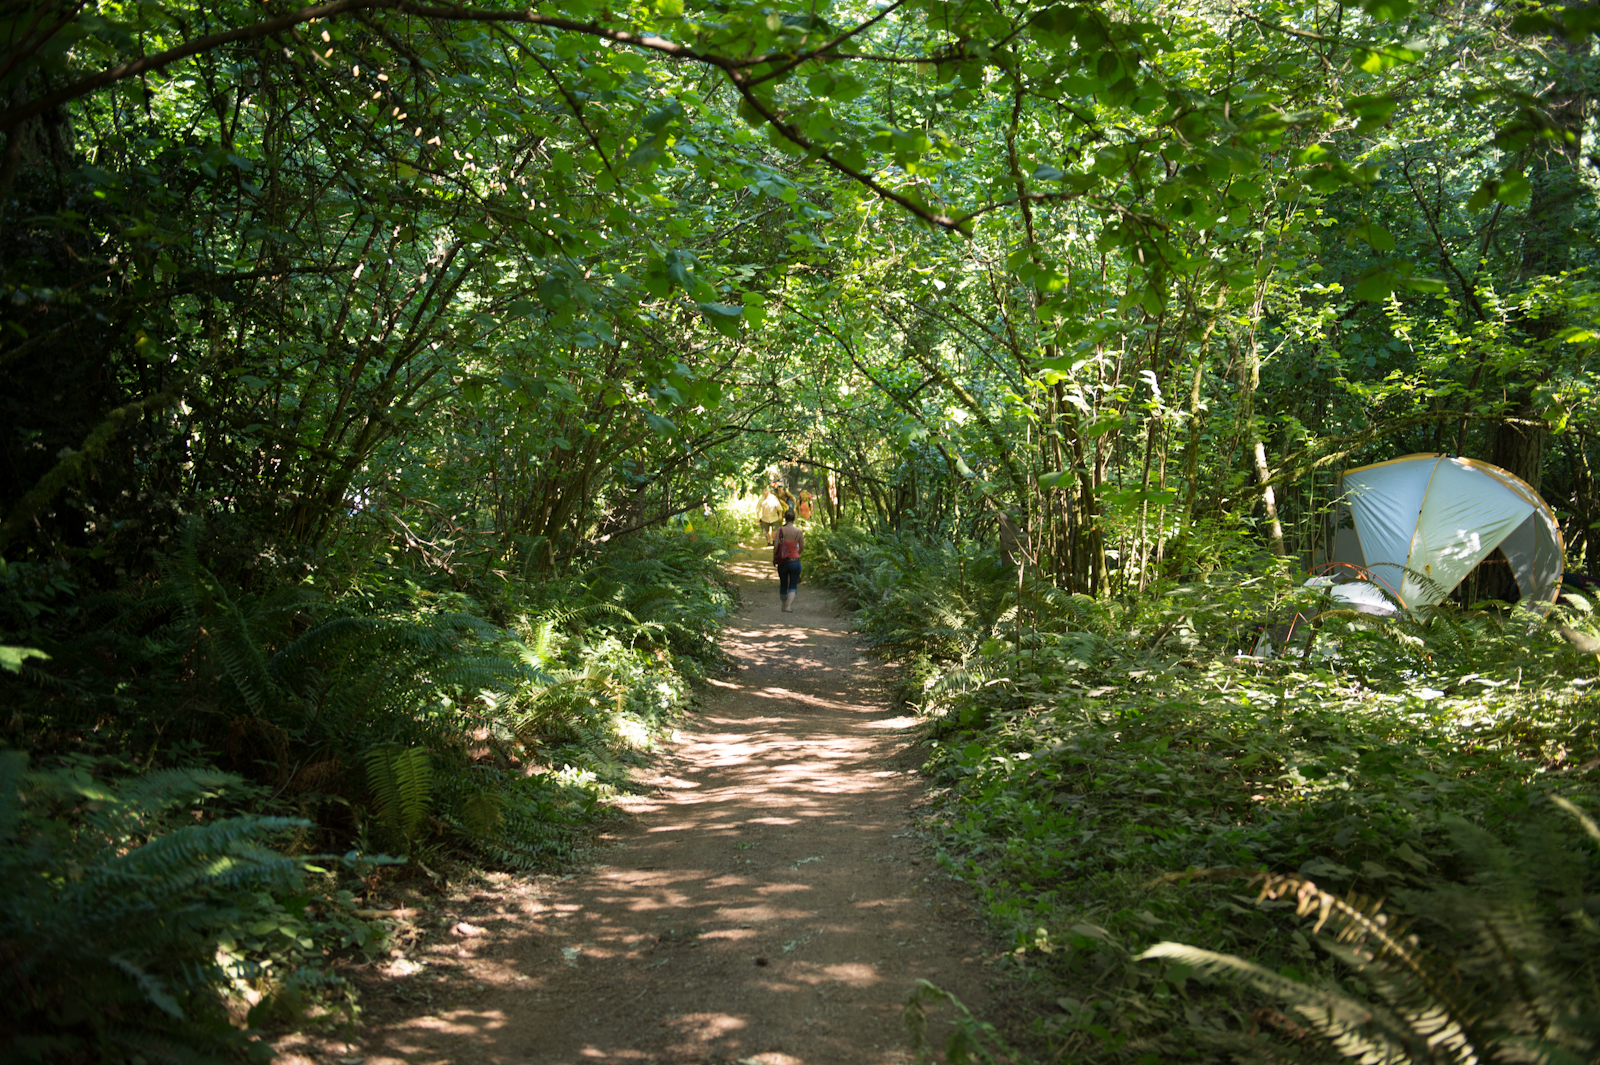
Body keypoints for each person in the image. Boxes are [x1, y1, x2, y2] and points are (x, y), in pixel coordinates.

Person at [772, 509, 804, 612]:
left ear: (785, 518)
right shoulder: (798, 532)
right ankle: (788, 606)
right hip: (795, 561)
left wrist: (774, 558)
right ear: (794, 519)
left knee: (783, 583)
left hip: (783, 561)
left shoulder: (780, 531)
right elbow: (802, 548)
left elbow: (776, 546)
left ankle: (784, 605)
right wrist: (796, 554)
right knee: (793, 585)